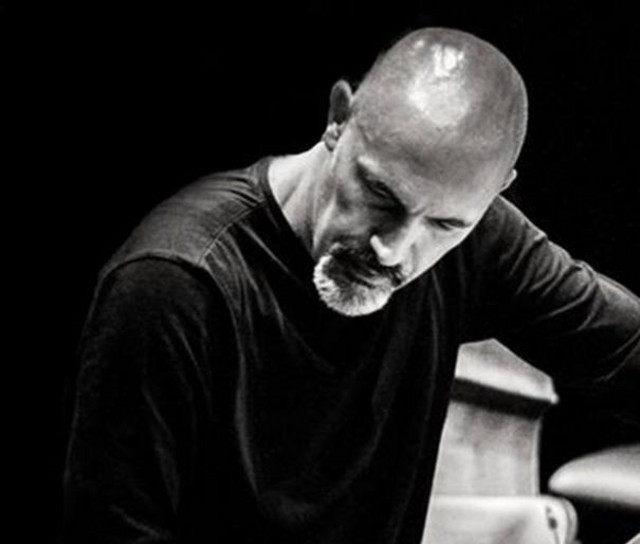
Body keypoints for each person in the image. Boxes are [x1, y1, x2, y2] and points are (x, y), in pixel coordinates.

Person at [60, 27, 639, 543]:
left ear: (495, 194)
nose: (394, 247)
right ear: (339, 118)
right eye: (381, 194)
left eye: (443, 225)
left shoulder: (479, 238)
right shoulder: (175, 285)